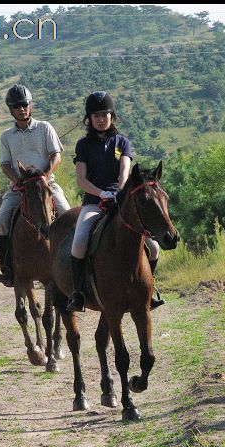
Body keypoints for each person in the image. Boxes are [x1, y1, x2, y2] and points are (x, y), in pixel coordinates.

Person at [66, 91, 164, 312]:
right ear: (89, 119)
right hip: (93, 202)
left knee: (154, 247)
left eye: (105, 114)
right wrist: (101, 193)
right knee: (79, 242)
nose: (101, 119)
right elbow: (81, 180)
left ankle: (150, 289)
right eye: (96, 115)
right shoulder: (83, 145)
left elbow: (125, 173)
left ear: (112, 115)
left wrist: (118, 194)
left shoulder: (123, 142)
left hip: (121, 203)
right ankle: (79, 293)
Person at [0, 84, 71, 286]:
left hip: (47, 184)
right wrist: (19, 181)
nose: (21, 109)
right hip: (20, 188)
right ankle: (6, 268)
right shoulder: (6, 136)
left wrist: (45, 175)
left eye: (25, 104)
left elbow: (56, 156)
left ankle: (72, 265)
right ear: (11, 109)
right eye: (17, 106)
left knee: (67, 212)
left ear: (30, 105)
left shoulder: (45, 128)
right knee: (1, 221)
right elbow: (5, 165)